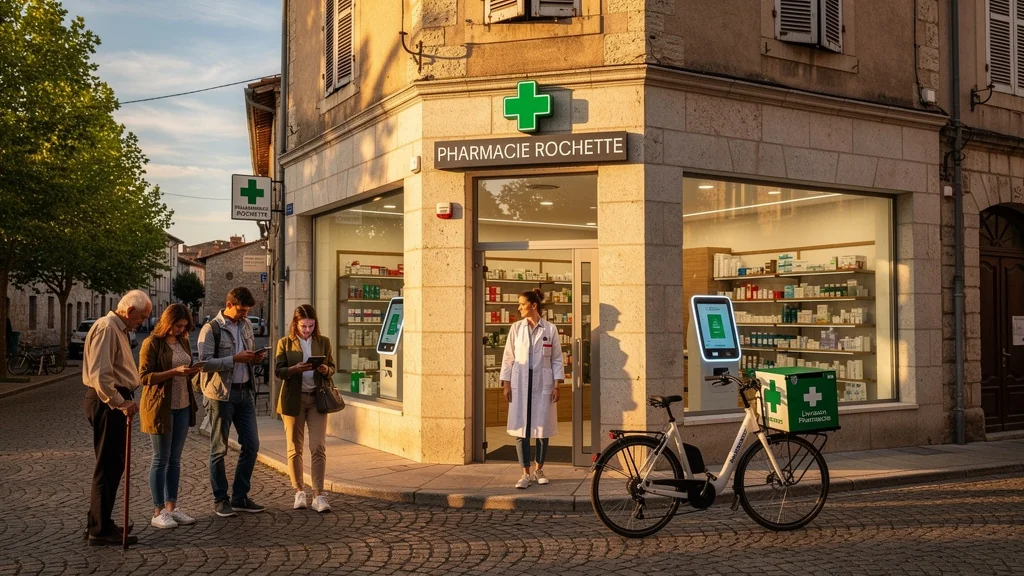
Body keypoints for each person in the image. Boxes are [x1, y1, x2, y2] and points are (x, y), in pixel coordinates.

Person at [82, 290, 151, 546]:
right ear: (130, 310)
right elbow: (101, 376)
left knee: (112, 464)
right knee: (108, 465)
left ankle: (99, 521)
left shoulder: (117, 328)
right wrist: (120, 403)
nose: (142, 322)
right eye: (142, 317)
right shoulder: (107, 328)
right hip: (106, 403)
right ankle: (99, 531)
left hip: (110, 402)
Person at [198, 287, 268, 517]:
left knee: (252, 445)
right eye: (241, 310)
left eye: (247, 311)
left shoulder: (246, 325)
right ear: (229, 305)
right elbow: (204, 363)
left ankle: (240, 497)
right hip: (220, 395)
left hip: (245, 392)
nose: (244, 315)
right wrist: (233, 359)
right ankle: (221, 499)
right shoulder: (211, 329)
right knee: (219, 448)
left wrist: (255, 356)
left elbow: (245, 353)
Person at [138, 303, 201, 529]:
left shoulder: (183, 341)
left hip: (183, 405)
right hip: (160, 408)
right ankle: (158, 511)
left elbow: (186, 366)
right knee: (160, 459)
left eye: (184, 326)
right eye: (178, 325)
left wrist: (192, 370)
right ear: (168, 322)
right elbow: (144, 377)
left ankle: (172, 508)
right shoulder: (151, 343)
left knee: (175, 460)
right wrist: (174, 372)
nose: (181, 330)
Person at [274, 305, 336, 513]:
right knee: (294, 446)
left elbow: (333, 367)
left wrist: (326, 369)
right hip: (294, 400)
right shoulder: (284, 343)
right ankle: (299, 490)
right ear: (295, 324)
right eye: (303, 326)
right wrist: (294, 369)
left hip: (318, 399)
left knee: (318, 446)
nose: (307, 330)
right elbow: (278, 371)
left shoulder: (324, 342)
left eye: (311, 326)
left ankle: (318, 494)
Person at [500, 289, 564, 489]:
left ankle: (539, 470)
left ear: (533, 305)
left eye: (521, 304)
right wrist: (506, 384)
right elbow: (508, 358)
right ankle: (525, 473)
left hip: (542, 385)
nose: (518, 308)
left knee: (542, 430)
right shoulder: (516, 328)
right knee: (522, 430)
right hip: (520, 384)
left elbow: (556, 359)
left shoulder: (550, 329)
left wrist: (556, 385)